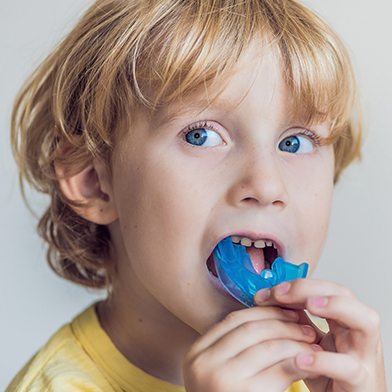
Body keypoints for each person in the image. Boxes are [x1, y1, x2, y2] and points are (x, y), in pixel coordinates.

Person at [7, 0, 387, 391]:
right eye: (201, 136)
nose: (267, 185)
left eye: (294, 142)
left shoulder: (318, 369)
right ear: (94, 181)